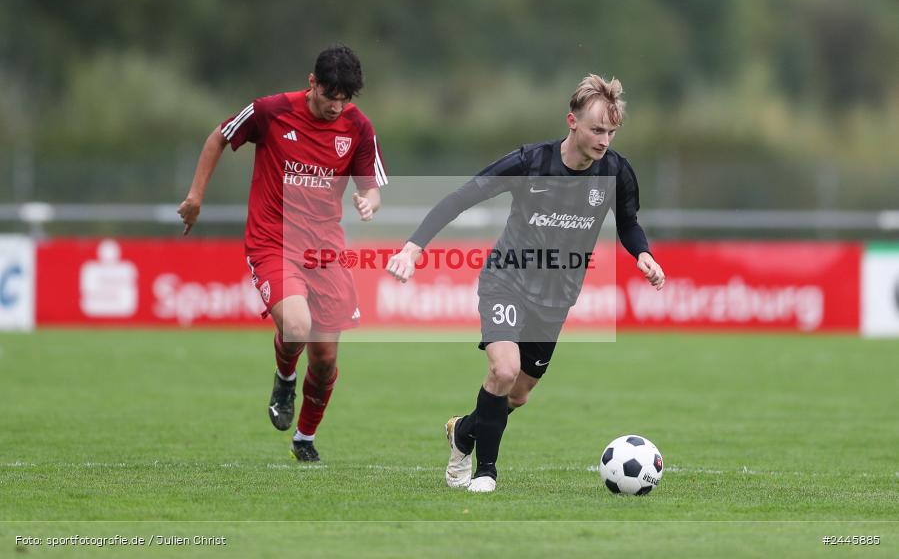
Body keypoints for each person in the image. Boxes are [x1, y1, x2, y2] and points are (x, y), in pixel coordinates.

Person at [386, 74, 664, 492]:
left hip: (556, 297)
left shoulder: (617, 172)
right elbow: (462, 197)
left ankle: (463, 432)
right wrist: (412, 247)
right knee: (503, 369)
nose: (604, 140)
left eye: (611, 131)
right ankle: (486, 471)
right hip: (507, 279)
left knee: (517, 394)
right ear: (571, 121)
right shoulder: (530, 162)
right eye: (596, 129)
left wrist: (642, 253)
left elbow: (629, 224)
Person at [178, 45, 387, 462]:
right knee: (296, 324)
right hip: (273, 240)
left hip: (325, 249)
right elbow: (220, 136)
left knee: (325, 357)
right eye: (331, 96)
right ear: (313, 83)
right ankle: (286, 376)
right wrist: (195, 196)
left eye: (345, 99)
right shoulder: (270, 112)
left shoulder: (358, 127)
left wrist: (369, 202)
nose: (337, 106)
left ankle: (305, 438)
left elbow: (371, 186)